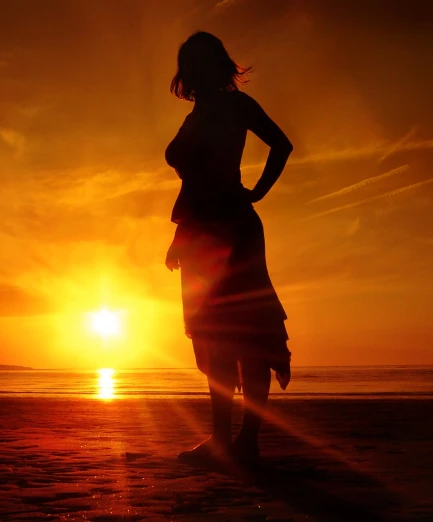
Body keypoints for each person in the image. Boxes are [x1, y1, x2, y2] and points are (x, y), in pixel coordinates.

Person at [164, 31, 293, 465]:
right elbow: (192, 184)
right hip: (199, 236)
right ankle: (221, 440)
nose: (195, 70)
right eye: (189, 63)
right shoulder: (194, 116)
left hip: (234, 230)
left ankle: (248, 441)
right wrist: (179, 237)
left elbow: (281, 144)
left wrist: (259, 191)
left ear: (219, 65)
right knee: (213, 336)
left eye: (203, 61)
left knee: (250, 334)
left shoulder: (237, 106)